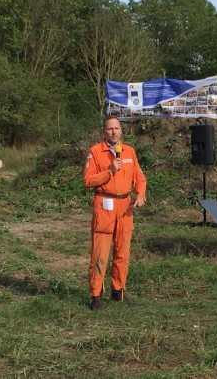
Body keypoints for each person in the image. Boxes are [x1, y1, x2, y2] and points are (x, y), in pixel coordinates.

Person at [83, 115, 146, 310]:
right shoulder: (95, 152)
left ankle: (118, 292)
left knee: (122, 252)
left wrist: (140, 195)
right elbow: (88, 181)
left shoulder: (129, 151)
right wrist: (109, 170)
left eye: (117, 129)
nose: (114, 132)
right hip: (104, 205)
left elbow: (140, 178)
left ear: (121, 130)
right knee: (100, 253)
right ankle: (96, 296)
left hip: (125, 207)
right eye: (110, 129)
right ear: (104, 131)